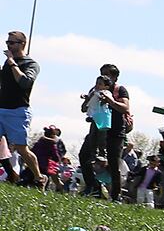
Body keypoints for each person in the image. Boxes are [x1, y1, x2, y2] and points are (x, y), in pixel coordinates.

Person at [77, 64, 131, 203]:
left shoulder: (120, 90)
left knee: (114, 164)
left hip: (115, 132)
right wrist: (88, 99)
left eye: (107, 75)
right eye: (101, 74)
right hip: (97, 128)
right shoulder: (95, 89)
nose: (103, 77)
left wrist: (110, 101)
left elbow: (125, 107)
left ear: (115, 77)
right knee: (84, 156)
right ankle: (92, 186)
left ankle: (115, 195)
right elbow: (84, 109)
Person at [0, 31, 43, 188]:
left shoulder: (31, 64)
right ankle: (11, 175)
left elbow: (24, 82)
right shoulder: (7, 64)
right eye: (7, 42)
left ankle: (39, 178)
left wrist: (11, 62)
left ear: (22, 44)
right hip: (1, 109)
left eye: (12, 43)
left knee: (21, 149)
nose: (9, 45)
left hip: (18, 111)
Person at [31, 125, 65, 193]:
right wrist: (58, 159)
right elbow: (56, 156)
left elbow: (32, 152)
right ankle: (60, 190)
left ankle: (39, 189)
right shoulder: (52, 144)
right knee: (52, 178)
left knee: (38, 176)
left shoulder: (38, 143)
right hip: (47, 165)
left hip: (36, 163)